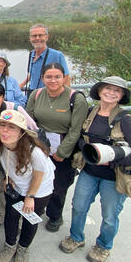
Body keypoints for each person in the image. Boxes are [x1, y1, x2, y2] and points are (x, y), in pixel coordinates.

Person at [59, 76, 131, 262]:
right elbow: (79, 137)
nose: (111, 93)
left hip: (113, 178)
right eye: (107, 89)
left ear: (121, 96)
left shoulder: (125, 120)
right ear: (99, 92)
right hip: (89, 172)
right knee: (78, 206)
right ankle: (76, 237)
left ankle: (103, 246)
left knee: (109, 216)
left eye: (116, 91)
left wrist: (114, 162)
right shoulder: (91, 112)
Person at [0, 110, 55, 262]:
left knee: (30, 219)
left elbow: (39, 175)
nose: (5, 131)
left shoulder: (35, 152)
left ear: (22, 132)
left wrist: (30, 197)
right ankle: (9, 246)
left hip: (38, 190)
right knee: (11, 215)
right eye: (2, 125)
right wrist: (7, 177)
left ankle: (23, 249)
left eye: (12, 127)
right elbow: (3, 161)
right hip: (16, 185)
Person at [26, 62, 88, 233]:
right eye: (49, 77)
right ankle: (37, 210)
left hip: (63, 148)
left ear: (64, 78)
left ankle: (55, 215)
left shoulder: (76, 99)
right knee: (36, 181)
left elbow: (76, 130)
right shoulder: (37, 95)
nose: (53, 80)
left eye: (57, 77)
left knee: (59, 185)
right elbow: (29, 121)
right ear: (42, 78)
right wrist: (34, 147)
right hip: (39, 146)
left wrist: (62, 152)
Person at [0, 82, 36, 231]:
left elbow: (33, 129)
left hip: (18, 155)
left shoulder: (15, 109)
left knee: (21, 186)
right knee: (1, 187)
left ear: (3, 97)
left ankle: (21, 215)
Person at [20, 24, 70, 98]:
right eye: (34, 36)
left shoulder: (57, 55)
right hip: (32, 95)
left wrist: (64, 99)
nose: (37, 38)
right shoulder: (31, 54)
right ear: (30, 38)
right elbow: (32, 73)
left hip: (49, 97)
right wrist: (21, 85)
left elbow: (66, 79)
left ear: (47, 37)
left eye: (40, 35)